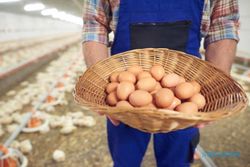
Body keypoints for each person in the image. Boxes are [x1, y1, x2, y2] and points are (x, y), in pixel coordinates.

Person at [82, 0, 239, 166]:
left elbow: (223, 24)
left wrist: (215, 87)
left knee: (177, 159)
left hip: (183, 93)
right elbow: (94, 24)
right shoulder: (125, 90)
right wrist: (100, 82)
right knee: (125, 157)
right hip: (125, 90)